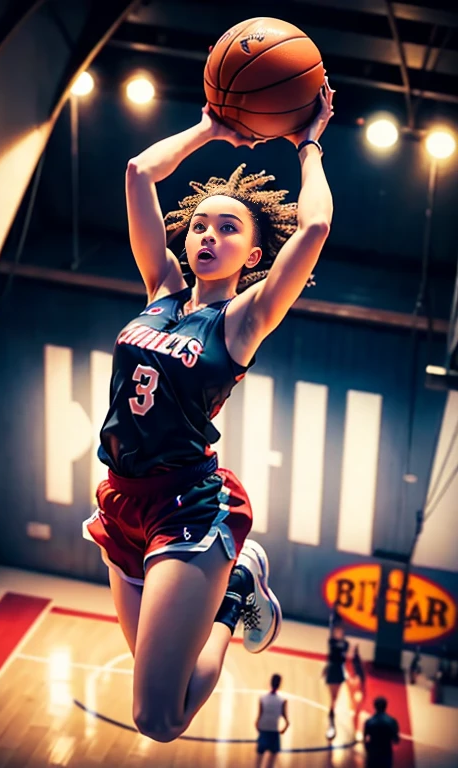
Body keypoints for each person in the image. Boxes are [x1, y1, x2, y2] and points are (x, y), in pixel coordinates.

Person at [82, 77, 334, 743]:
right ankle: (231, 594)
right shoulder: (160, 287)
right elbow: (139, 173)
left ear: (253, 254)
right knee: (155, 677)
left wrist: (308, 147)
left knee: (157, 718)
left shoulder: (242, 320)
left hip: (186, 506)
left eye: (228, 228)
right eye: (199, 224)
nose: (207, 235)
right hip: (119, 499)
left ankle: (233, 600)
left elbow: (314, 226)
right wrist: (210, 130)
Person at [255, 673, 289, 768]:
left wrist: (258, 726)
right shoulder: (283, 700)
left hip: (264, 730)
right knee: (271, 761)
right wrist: (284, 728)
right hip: (274, 732)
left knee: (259, 759)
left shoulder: (262, 698)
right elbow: (286, 719)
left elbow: (259, 716)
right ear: (280, 684)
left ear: (270, 683)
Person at [324, 624, 349, 740]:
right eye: (336, 631)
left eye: (340, 631)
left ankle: (331, 714)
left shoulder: (345, 644)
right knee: (332, 696)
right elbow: (334, 653)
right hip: (332, 669)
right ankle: (331, 716)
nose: (338, 633)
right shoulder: (332, 642)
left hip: (339, 671)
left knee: (335, 697)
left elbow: (344, 657)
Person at [363, 696, 400, 768]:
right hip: (386, 752)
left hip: (373, 753)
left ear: (374, 706)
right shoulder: (392, 721)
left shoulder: (369, 722)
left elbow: (365, 739)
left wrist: (368, 749)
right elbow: (396, 740)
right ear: (386, 706)